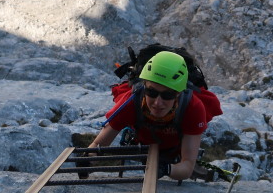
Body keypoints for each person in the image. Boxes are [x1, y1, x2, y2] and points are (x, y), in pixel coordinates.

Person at [88, 50, 222, 180]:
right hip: (142, 144)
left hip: (174, 150)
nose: (158, 102)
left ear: (179, 93)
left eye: (167, 95)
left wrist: (166, 169)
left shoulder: (192, 107)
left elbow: (187, 167)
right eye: (151, 92)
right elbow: (98, 144)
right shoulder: (131, 101)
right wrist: (86, 160)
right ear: (143, 86)